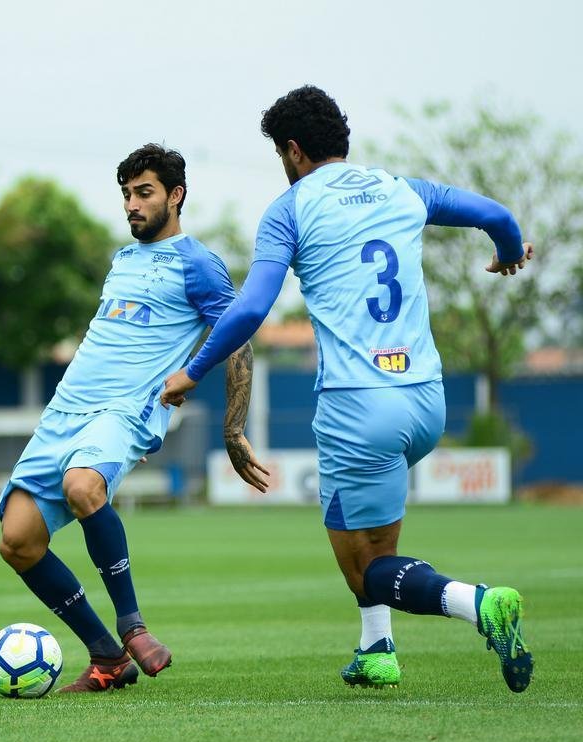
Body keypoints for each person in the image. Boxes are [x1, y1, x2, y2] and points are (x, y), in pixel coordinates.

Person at [163, 86, 534, 692]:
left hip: (357, 405)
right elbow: (498, 216)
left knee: (365, 566)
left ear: (292, 149)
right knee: (377, 535)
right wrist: (510, 253)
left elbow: (252, 306)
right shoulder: (402, 188)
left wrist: (193, 372)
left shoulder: (289, 208)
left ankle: (478, 602)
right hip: (424, 398)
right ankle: (376, 647)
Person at [0, 144, 269, 692]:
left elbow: (239, 340)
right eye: (126, 194)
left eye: (144, 192)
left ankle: (133, 626)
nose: (132, 204)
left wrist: (233, 427)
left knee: (83, 485)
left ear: (176, 195)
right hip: (67, 408)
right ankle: (106, 656)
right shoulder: (123, 260)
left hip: (126, 409)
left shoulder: (198, 262)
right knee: (17, 540)